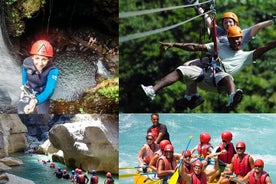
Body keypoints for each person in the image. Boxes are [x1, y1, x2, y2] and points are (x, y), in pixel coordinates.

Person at [141, 26, 276, 109]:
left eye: (239, 38)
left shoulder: (246, 56)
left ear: (242, 38)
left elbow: (264, 47)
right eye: (233, 39)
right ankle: (153, 90)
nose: (236, 41)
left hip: (219, 83)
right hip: (206, 74)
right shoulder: (220, 46)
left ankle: (232, 97)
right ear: (228, 39)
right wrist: (174, 44)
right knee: (181, 70)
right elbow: (195, 47)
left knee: (227, 77)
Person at [17, 39, 58, 114]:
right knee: (21, 111)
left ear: (48, 60)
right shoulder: (26, 64)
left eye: (44, 59)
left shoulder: (53, 71)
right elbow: (24, 76)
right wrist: (24, 87)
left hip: (42, 93)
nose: (40, 63)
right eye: (37, 58)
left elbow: (49, 90)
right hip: (29, 91)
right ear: (32, 57)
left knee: (43, 113)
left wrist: (36, 101)